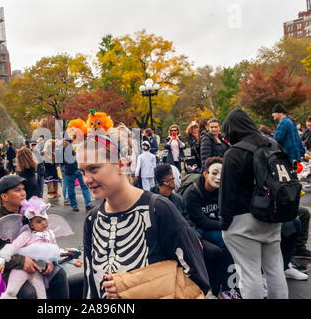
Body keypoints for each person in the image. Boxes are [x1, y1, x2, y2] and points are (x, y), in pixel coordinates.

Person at [77, 125, 210, 299]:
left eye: (94, 169)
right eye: (82, 171)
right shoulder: (92, 221)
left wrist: (133, 287)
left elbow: (196, 279)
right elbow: (90, 285)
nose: (87, 179)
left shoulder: (159, 209)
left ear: (120, 164)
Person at [220, 108, 288, 299]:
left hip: (243, 222)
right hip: (273, 217)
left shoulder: (234, 153)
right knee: (275, 270)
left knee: (249, 274)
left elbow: (227, 194)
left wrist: (225, 224)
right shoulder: (273, 144)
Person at [0, 175, 70, 299]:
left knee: (59, 275)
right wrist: (22, 261)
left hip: (36, 263)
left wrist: (49, 259)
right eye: (18, 190)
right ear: (4, 196)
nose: (23, 193)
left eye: (23, 189)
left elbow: (42, 237)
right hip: (6, 270)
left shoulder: (29, 214)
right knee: (30, 293)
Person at [152, 164, 224, 298]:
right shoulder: (152, 201)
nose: (177, 179)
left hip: (188, 239)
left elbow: (188, 221)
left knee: (215, 252)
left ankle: (211, 291)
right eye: (174, 177)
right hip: (167, 245)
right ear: (166, 182)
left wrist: (195, 238)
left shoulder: (178, 199)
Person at [0, 196, 82, 299]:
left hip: (37, 273)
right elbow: (12, 248)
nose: (44, 223)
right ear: (31, 225)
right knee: (11, 291)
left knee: (42, 296)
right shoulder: (26, 235)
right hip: (22, 270)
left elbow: (56, 252)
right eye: (38, 221)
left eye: (44, 219)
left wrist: (73, 261)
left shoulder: (50, 235)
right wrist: (1, 262)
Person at [182, 157, 239, 298]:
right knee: (227, 241)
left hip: (217, 227)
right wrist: (225, 226)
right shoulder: (192, 194)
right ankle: (227, 288)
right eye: (214, 173)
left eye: (222, 173)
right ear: (205, 174)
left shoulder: (221, 190)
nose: (219, 177)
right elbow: (201, 222)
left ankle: (238, 282)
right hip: (200, 232)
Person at [63, 138, 91, 212]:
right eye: (64, 142)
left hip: (79, 170)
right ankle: (74, 205)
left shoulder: (76, 148)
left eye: (65, 142)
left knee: (84, 186)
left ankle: (88, 203)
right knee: (71, 189)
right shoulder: (63, 150)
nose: (64, 143)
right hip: (70, 171)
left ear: (69, 143)